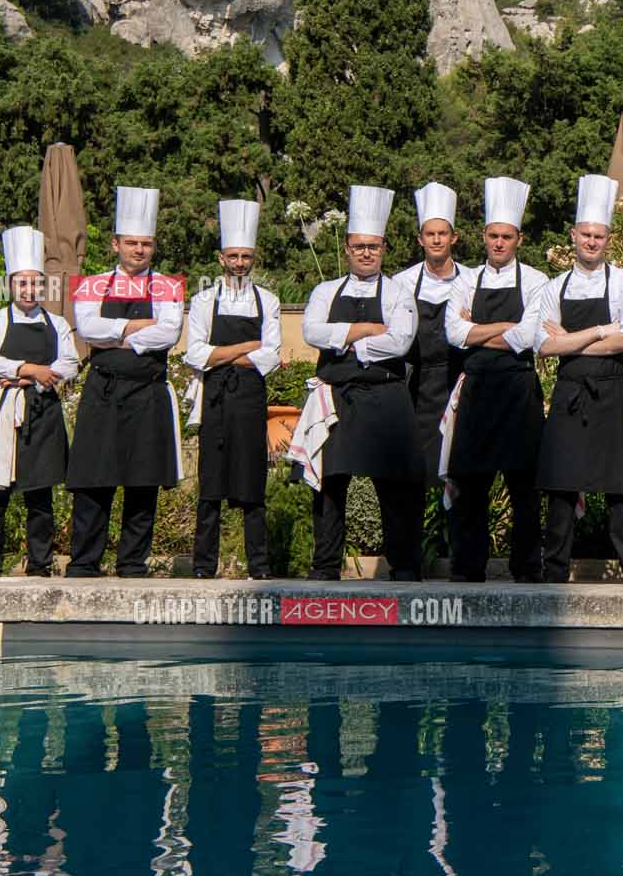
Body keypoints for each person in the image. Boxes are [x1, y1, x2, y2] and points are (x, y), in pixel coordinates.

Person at [293, 185, 424, 581]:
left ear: (384, 248)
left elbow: (401, 341)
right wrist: (368, 329)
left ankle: (404, 566)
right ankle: (325, 565)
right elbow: (311, 332)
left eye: (373, 246)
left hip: (387, 396)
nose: (366, 253)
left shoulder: (400, 292)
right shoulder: (324, 291)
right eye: (359, 246)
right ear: (347, 248)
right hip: (338, 397)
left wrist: (345, 340)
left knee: (395, 485)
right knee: (330, 484)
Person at [64, 186, 184, 579]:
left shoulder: (168, 286)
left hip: (148, 391)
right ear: (116, 244)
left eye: (145, 244)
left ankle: (132, 562)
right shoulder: (91, 285)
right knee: (92, 479)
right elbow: (88, 329)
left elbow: (169, 334)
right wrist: (138, 327)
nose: (139, 250)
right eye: (132, 243)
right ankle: (84, 562)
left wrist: (115, 334)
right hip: (103, 390)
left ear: (153, 247)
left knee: (143, 480)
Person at [532, 174, 623, 584]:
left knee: (622, 488)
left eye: (599, 236)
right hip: (569, 395)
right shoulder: (553, 287)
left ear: (608, 239)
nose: (592, 242)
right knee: (561, 488)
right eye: (586, 235)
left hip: (612, 392)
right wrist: (601, 331)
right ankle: (553, 575)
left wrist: (571, 341)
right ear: (573, 236)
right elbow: (544, 346)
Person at [443, 177, 548, 582]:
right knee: (470, 482)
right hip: (477, 389)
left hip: (519, 391)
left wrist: (478, 330)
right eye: (493, 236)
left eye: (506, 236)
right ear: (483, 236)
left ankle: (527, 568)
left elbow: (529, 337)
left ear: (518, 238)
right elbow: (453, 333)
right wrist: (506, 326)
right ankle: (468, 567)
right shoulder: (465, 280)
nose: (499, 243)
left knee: (525, 485)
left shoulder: (536, 280)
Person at [0, 226, 76, 577]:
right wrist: (32, 369)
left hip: (43, 411)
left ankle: (40, 564)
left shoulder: (57, 323)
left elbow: (69, 364)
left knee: (40, 495)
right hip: (2, 411)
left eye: (35, 283)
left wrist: (28, 378)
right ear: (10, 285)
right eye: (22, 283)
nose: (29, 290)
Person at [182, 199, 280, 579]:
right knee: (210, 484)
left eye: (246, 256)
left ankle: (259, 566)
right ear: (221, 258)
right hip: (215, 400)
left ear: (253, 258)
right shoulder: (204, 300)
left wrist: (220, 354)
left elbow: (271, 356)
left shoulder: (268, 301)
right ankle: (203, 566)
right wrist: (246, 348)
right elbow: (195, 354)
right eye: (234, 256)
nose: (240, 262)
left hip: (251, 401)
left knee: (252, 483)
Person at [392, 183, 473, 525]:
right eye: (430, 234)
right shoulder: (401, 283)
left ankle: (457, 547)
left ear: (454, 237)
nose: (436, 239)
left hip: (459, 386)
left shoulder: (472, 280)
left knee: (462, 473)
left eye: (442, 233)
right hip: (418, 390)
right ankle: (417, 546)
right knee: (415, 475)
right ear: (420, 239)